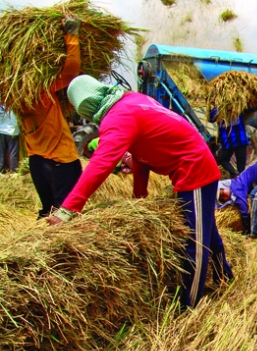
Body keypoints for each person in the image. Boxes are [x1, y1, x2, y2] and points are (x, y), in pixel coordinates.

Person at [46, 75, 233, 309]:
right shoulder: (132, 101)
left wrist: (68, 209)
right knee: (207, 231)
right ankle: (225, 278)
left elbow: (101, 164)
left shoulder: (118, 117)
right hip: (195, 164)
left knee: (195, 241)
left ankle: (190, 304)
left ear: (84, 106)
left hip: (193, 171)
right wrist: (139, 197)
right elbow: (140, 156)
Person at [19, 17, 82, 219]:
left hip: (36, 163)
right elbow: (71, 70)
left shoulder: (13, 95)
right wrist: (71, 33)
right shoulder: (42, 92)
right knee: (64, 217)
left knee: (48, 212)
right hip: (60, 161)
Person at [211, 108, 255, 178]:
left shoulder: (217, 109)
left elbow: (211, 119)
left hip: (228, 142)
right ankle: (239, 178)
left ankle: (234, 173)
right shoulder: (238, 105)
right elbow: (250, 109)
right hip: (241, 140)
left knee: (223, 160)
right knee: (241, 167)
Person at [0, 105, 20, 172]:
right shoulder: (14, 103)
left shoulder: (1, 104)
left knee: (1, 152)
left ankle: (1, 170)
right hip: (12, 131)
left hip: (1, 130)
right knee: (13, 152)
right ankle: (13, 170)